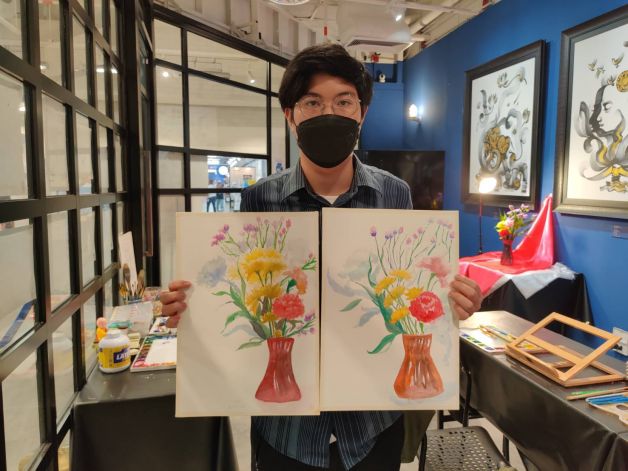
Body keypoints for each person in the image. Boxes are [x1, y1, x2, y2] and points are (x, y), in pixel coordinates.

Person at [161, 43, 482, 471]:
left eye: (344, 102)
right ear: (290, 115)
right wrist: (192, 308)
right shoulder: (260, 199)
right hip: (287, 430)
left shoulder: (393, 194)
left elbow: (408, 287)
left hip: (371, 423)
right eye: (312, 102)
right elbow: (245, 291)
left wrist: (453, 300)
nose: (329, 113)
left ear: (362, 113)